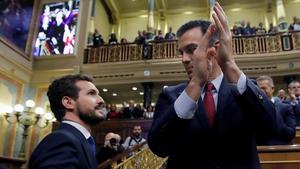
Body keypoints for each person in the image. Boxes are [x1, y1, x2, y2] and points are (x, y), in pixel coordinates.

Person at [148, 2, 277, 169]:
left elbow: (272, 128)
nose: (184, 59)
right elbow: (159, 146)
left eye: (191, 49)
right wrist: (195, 84)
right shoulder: (171, 95)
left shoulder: (244, 89)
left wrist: (229, 64)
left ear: (215, 49)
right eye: (181, 52)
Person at [28, 74, 106, 169]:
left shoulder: (80, 141)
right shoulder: (61, 140)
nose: (101, 100)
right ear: (68, 102)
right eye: (91, 93)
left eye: (98, 94)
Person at [256, 75, 296, 145]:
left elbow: (291, 134)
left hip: (281, 150)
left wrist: (275, 118)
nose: (261, 91)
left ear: (272, 88)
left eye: (264, 88)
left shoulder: (285, 107)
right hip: (259, 149)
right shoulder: (252, 107)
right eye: (258, 89)